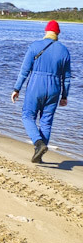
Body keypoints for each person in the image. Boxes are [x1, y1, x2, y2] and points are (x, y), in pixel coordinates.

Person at [11, 20, 72, 163]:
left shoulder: (34, 46)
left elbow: (24, 71)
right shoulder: (64, 50)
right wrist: (64, 96)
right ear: (58, 33)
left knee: (27, 116)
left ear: (46, 31)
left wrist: (16, 88)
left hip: (36, 85)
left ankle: (38, 143)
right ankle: (38, 156)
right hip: (54, 88)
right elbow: (67, 77)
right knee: (46, 121)